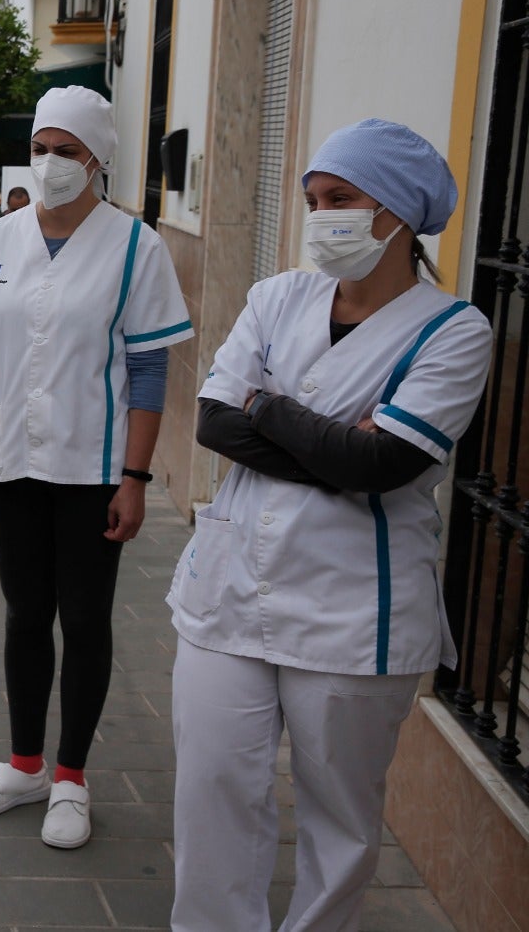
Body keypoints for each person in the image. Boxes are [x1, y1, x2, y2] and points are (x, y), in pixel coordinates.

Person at [167, 119, 492, 931]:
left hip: (355, 613)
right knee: (210, 794)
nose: (321, 217)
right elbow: (212, 424)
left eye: (340, 198)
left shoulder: (455, 331)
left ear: (399, 215)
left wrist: (270, 408)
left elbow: (384, 468)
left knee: (340, 823)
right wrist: (339, 444)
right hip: (229, 591)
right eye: (313, 200)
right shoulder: (279, 297)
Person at [0, 85, 193, 848]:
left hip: (93, 465)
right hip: (8, 459)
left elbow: (150, 373)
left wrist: (137, 478)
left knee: (83, 620)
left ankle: (72, 779)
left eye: (67, 152)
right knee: (25, 614)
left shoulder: (136, 247)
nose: (49, 164)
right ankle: (24, 765)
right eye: (41, 148)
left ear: (99, 161)